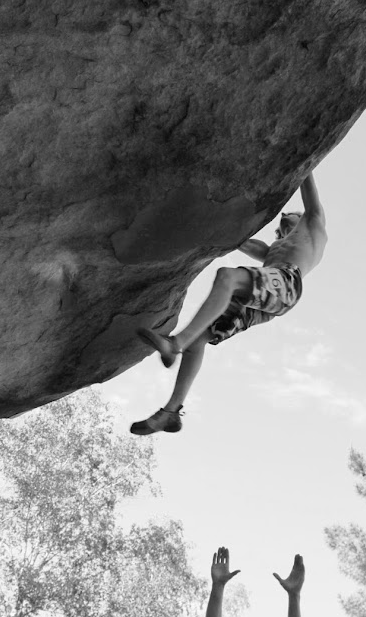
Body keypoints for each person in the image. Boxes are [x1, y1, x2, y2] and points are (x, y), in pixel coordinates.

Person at [131, 172, 327, 435]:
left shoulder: (313, 224)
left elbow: (309, 191)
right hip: (267, 298)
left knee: (228, 277)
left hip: (286, 282)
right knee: (200, 339)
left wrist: (307, 160)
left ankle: (174, 344)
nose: (280, 225)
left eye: (286, 221)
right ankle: (171, 412)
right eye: (278, 231)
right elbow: (239, 241)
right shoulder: (272, 251)